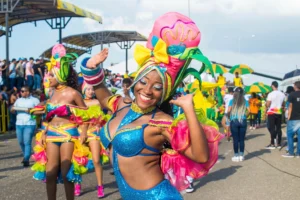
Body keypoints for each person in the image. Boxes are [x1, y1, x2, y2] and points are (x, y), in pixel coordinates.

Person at [80, 12, 223, 200]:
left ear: (163, 93)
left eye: (157, 87)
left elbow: (201, 156)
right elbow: (104, 96)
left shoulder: (161, 122)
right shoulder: (121, 105)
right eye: (143, 82)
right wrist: (92, 67)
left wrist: (189, 110)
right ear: (135, 80)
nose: (147, 90)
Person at [30, 44, 99, 200]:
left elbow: (85, 115)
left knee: (66, 173)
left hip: (68, 134)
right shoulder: (52, 94)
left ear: (61, 75)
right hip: (51, 135)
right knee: (50, 172)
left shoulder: (73, 93)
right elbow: (48, 117)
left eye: (52, 75)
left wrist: (83, 133)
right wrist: (44, 131)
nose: (48, 78)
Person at [74, 80, 109, 198]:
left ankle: (100, 186)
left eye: (92, 89)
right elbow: (77, 119)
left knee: (96, 160)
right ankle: (78, 185)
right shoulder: (79, 102)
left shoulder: (97, 102)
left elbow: (103, 116)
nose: (90, 91)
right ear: (83, 90)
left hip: (94, 133)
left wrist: (100, 123)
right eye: (88, 89)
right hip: (80, 133)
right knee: (79, 160)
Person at [11, 86, 39, 167]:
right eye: (21, 91)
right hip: (19, 123)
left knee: (27, 142)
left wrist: (31, 111)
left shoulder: (35, 100)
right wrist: (12, 110)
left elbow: (40, 111)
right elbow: (12, 110)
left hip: (29, 123)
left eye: (24, 91)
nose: (22, 92)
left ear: (28, 91)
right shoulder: (18, 100)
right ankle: (25, 155)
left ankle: (26, 159)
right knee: (21, 142)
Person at [227, 87, 250, 162]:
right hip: (243, 120)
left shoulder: (232, 101)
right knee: (242, 139)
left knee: (235, 139)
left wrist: (230, 117)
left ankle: (236, 155)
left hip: (234, 121)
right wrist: (245, 116)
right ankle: (241, 155)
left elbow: (229, 111)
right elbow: (249, 111)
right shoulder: (245, 101)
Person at [265, 81, 285, 149]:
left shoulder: (270, 94)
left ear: (273, 86)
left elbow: (268, 104)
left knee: (272, 128)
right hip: (279, 112)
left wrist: (266, 106)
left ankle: (272, 143)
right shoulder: (282, 94)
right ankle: (279, 143)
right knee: (279, 128)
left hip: (271, 112)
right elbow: (283, 104)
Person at [282, 81, 300, 158]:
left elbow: (290, 107)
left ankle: (291, 152)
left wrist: (288, 117)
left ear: (295, 87)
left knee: (290, 135)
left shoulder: (292, 95)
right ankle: (299, 153)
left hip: (293, 118)